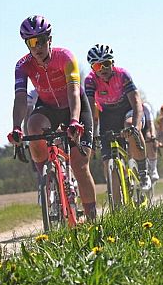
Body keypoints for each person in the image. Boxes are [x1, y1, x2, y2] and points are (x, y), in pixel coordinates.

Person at [7, 15, 98, 220]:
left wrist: (74, 121)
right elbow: (20, 99)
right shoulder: (23, 66)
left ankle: (93, 220)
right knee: (33, 125)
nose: (37, 46)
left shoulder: (65, 57)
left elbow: (74, 92)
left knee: (80, 165)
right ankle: (45, 178)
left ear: (50, 39)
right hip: (48, 107)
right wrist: (15, 127)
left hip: (74, 106)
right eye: (31, 42)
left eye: (41, 40)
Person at [83, 44, 153, 191]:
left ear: (112, 63)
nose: (102, 69)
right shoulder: (90, 81)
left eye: (106, 64)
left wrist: (135, 127)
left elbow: (137, 104)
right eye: (97, 66)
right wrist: (90, 134)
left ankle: (143, 172)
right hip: (107, 114)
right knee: (107, 158)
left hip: (127, 110)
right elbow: (89, 111)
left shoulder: (123, 75)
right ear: (92, 68)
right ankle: (116, 198)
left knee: (130, 126)